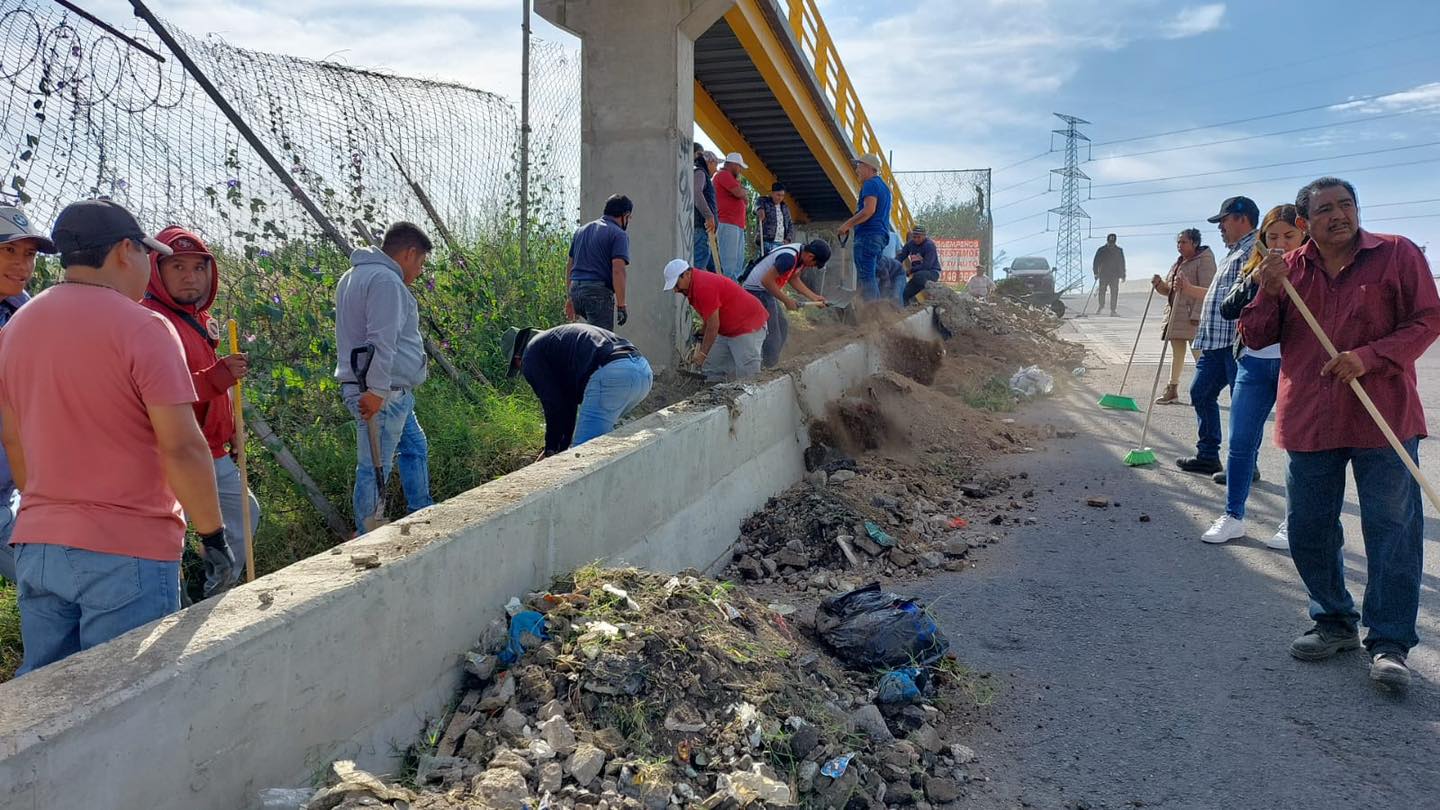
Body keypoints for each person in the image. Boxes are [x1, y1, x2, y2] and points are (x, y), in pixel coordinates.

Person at [0, 199, 236, 675]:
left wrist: (45, 510)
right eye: (149, 255)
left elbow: (15, 439)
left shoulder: (18, 327)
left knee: (48, 700)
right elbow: (182, 446)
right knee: (123, 701)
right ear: (125, 251)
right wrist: (213, 539)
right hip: (125, 551)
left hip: (39, 546)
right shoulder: (144, 327)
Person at [1242, 177, 1440, 688]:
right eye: (1325, 209)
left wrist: (1369, 358)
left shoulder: (1396, 253)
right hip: (1311, 416)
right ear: (1305, 221)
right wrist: (1266, 290)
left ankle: (1390, 641)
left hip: (1384, 416)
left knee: (1392, 531)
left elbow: (1427, 320)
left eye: (1345, 205)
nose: (1339, 215)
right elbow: (1258, 336)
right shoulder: (1287, 270)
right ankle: (1333, 621)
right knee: (1309, 526)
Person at [141, 227, 260, 585]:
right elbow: (157, 394)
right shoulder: (148, 322)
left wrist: (233, 431)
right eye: (177, 267)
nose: (190, 277)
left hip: (213, 448)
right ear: (156, 270)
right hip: (174, 451)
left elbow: (208, 384)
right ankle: (176, 598)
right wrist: (216, 377)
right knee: (168, 535)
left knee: (244, 513)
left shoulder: (200, 319)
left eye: (198, 268)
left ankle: (217, 587)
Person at [1200, 206, 1308, 549]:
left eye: (1288, 236)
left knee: (1296, 447)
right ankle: (1233, 517)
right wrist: (1255, 281)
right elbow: (1228, 308)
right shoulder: (1254, 266)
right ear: (1262, 237)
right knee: (1241, 443)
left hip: (1295, 367)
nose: (1279, 243)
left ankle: (1293, 523)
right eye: (1272, 236)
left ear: (1303, 234)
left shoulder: (1312, 269)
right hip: (1253, 364)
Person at [334, 222, 436, 535]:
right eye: (420, 263)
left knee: (415, 446)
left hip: (392, 394)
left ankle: (421, 510)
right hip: (383, 393)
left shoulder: (352, 276)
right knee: (374, 466)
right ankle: (368, 535)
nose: (419, 271)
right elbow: (381, 340)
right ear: (409, 253)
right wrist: (377, 391)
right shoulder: (386, 281)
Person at [1176, 196, 1259, 476]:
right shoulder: (1232, 253)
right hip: (1214, 343)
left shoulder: (1256, 250)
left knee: (1243, 405)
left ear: (1241, 218)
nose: (1220, 227)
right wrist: (1187, 289)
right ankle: (1208, 455)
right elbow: (1218, 295)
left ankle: (1247, 464)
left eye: (1223, 221)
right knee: (1200, 392)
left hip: (1237, 344)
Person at [0, 207, 55, 584]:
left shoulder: (27, 310)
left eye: (29, 254)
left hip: (17, 481)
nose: (22, 265)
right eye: (9, 252)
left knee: (47, 576)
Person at [504, 323, 653, 457]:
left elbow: (553, 405)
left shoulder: (530, 354)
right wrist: (560, 447)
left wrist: (550, 449)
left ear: (518, 358)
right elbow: (567, 404)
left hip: (612, 376)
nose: (523, 371)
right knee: (599, 445)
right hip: (642, 372)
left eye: (518, 368)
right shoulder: (556, 342)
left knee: (584, 456)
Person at [664, 258, 768, 381]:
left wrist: (702, 354)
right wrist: (703, 330)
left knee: (748, 376)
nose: (676, 290)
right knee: (712, 368)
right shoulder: (693, 285)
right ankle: (714, 396)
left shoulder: (703, 287)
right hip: (728, 329)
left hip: (747, 325)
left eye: (676, 284)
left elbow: (713, 326)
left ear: (687, 274)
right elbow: (710, 313)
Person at [1149, 228, 1216, 405]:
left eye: (1184, 242)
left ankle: (1205, 390)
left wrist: (1197, 316)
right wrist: (1159, 284)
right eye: (1178, 242)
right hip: (1175, 316)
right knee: (1177, 353)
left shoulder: (1205, 261)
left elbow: (1208, 291)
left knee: (1199, 355)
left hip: (1193, 318)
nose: (1179, 246)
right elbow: (1170, 291)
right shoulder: (1178, 263)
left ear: (1194, 243)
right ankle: (1172, 389)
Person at [742, 239, 830, 367]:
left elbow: (793, 278)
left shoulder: (801, 256)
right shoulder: (789, 258)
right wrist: (787, 300)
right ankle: (768, 368)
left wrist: (814, 297)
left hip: (765, 291)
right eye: (815, 264)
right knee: (773, 335)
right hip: (755, 292)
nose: (813, 267)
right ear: (811, 256)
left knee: (782, 326)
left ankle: (770, 361)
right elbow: (766, 281)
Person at [566, 195, 632, 330]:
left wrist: (569, 298)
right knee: (602, 342)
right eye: (629, 218)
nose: (629, 221)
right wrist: (621, 305)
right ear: (625, 215)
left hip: (576, 291)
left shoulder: (581, 231)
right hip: (597, 294)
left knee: (584, 338)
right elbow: (618, 270)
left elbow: (570, 266)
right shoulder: (618, 234)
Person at [837, 154, 892, 302]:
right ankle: (878, 314)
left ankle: (873, 318)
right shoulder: (884, 188)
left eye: (859, 166)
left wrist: (848, 224)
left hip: (868, 236)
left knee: (866, 278)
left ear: (869, 168)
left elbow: (869, 210)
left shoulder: (870, 184)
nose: (857, 170)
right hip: (879, 237)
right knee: (870, 277)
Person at [712, 153, 749, 279]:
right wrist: (744, 192)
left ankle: (733, 287)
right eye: (739, 167)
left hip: (736, 224)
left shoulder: (731, 178)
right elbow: (740, 193)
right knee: (730, 263)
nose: (740, 170)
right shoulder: (723, 175)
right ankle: (729, 289)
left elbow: (745, 200)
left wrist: (743, 193)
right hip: (728, 223)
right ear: (733, 165)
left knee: (738, 262)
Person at [899, 225, 942, 305]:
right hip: (918, 275)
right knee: (903, 295)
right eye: (914, 237)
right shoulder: (910, 244)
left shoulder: (929, 245)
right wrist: (892, 265)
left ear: (924, 236)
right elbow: (901, 256)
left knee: (919, 276)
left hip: (932, 272)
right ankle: (905, 310)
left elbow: (927, 266)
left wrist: (910, 270)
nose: (916, 239)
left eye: (918, 237)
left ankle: (933, 292)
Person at [692, 144, 717, 272]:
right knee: (698, 269)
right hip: (701, 228)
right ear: (709, 162)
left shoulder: (698, 172)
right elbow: (697, 193)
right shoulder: (701, 172)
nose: (716, 169)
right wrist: (709, 215)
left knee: (709, 269)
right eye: (715, 164)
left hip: (702, 230)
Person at [755, 182, 794, 256]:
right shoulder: (763, 201)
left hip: (781, 243)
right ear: (772, 193)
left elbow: (790, 224)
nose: (780, 198)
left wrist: (788, 239)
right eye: (778, 195)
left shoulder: (785, 207)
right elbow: (757, 207)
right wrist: (759, 210)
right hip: (766, 242)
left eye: (782, 196)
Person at [1092, 234, 1126, 316]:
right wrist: (1095, 273)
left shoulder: (1119, 250)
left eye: (1113, 242)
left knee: (1114, 293)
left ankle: (1113, 310)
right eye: (1110, 242)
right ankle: (1101, 306)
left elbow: (1122, 263)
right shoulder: (1101, 250)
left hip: (1114, 275)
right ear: (1107, 241)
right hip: (1103, 274)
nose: (1111, 244)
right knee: (1102, 291)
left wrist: (1123, 275)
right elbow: (1096, 262)